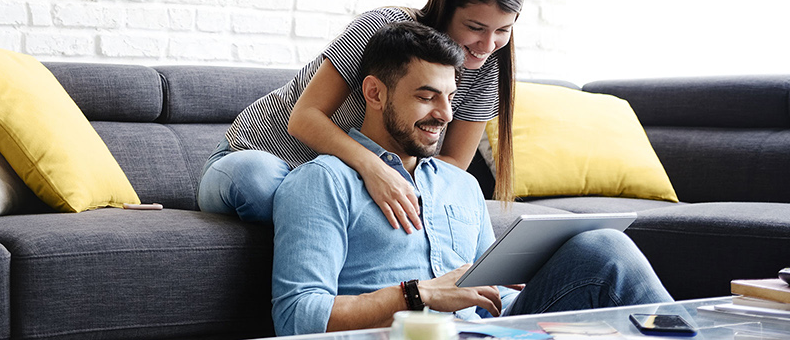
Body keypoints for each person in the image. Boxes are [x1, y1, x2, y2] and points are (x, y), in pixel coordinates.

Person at [268, 21, 673, 336]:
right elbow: (295, 317)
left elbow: (487, 292)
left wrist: (512, 288)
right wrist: (417, 294)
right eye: (426, 96)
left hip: (488, 330)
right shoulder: (322, 182)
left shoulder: (459, 184)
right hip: (411, 335)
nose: (445, 114)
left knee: (604, 246)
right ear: (374, 94)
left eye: (450, 96)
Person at [200, 0, 521, 230]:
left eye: (503, 31)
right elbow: (304, 118)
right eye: (476, 27)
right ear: (446, 8)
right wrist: (376, 169)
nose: (488, 45)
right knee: (260, 182)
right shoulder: (381, 29)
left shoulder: (486, 68)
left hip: (341, 185)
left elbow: (451, 167)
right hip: (266, 159)